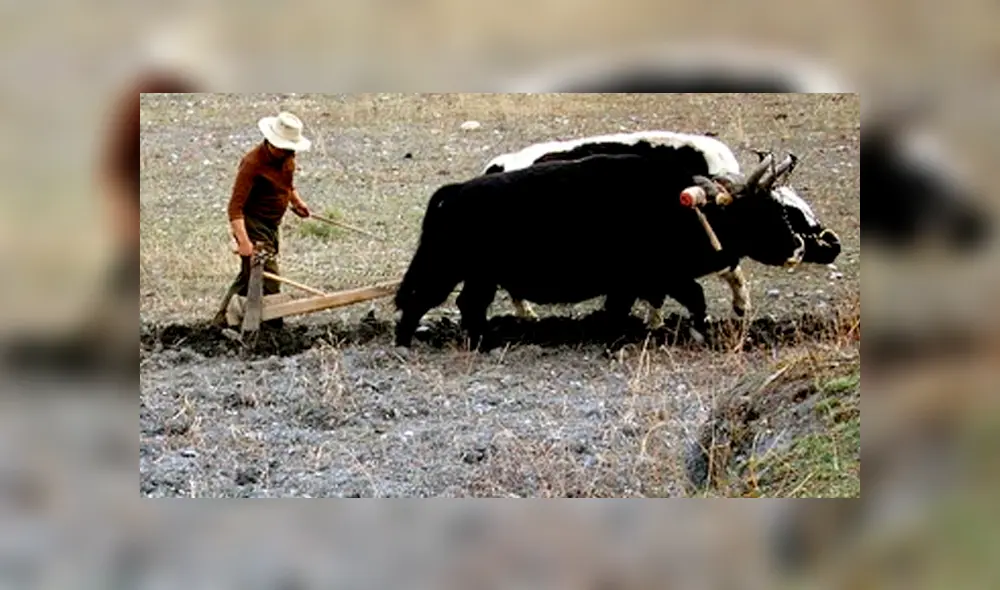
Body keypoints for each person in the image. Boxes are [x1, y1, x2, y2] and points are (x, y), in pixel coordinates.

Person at [213, 111, 313, 328]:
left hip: (271, 225)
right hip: (253, 224)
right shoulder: (252, 163)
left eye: (290, 148)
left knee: (249, 276)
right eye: (284, 147)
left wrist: (297, 202)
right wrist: (244, 242)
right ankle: (273, 327)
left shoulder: (287, 158)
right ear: (271, 142)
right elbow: (235, 209)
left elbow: (287, 185)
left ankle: (221, 323)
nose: (289, 152)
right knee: (268, 277)